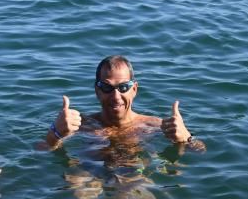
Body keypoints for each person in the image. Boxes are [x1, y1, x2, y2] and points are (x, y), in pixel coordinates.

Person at [43, 55, 206, 152]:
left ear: (134, 89)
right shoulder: (80, 125)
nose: (116, 96)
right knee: (78, 190)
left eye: (123, 87)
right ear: (97, 90)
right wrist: (55, 133)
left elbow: (201, 151)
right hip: (90, 170)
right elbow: (41, 150)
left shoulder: (155, 125)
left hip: (135, 173)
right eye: (107, 87)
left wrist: (187, 138)